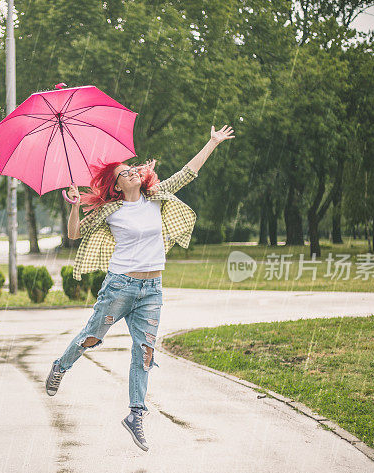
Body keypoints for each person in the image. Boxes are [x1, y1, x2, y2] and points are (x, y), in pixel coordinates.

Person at [45, 125, 235, 451]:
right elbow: (75, 235)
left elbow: (187, 174)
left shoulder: (155, 199)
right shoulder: (111, 210)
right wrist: (75, 204)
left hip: (153, 289)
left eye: (132, 168)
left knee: (144, 352)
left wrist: (212, 142)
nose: (131, 171)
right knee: (92, 337)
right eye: (122, 172)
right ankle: (61, 366)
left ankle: (135, 414)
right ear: (115, 185)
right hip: (120, 286)